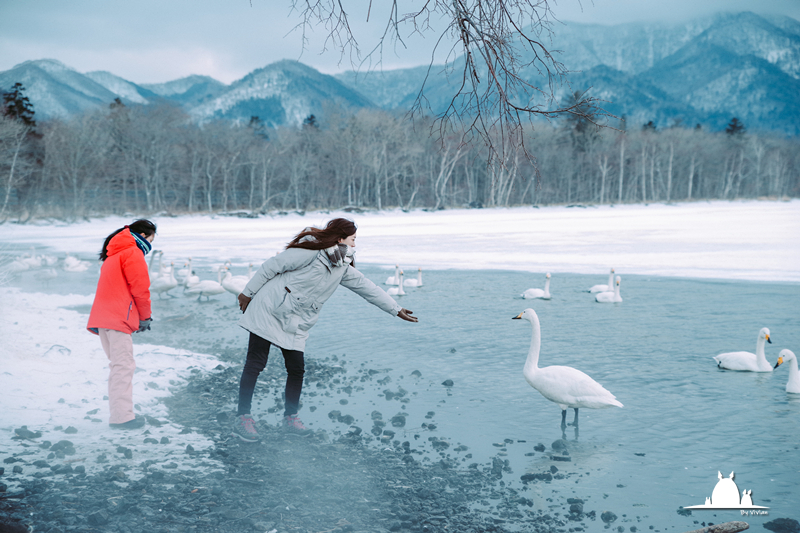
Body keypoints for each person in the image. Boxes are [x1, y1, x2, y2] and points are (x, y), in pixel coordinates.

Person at [233, 218, 418, 442]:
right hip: (269, 309)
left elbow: (368, 288)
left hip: (297, 320)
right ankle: (243, 418)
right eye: (353, 240)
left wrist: (395, 309)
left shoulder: (341, 267)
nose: (355, 245)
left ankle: (290, 419)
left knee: (297, 369)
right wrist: (248, 293)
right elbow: (272, 265)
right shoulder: (311, 253)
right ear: (340, 238)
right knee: (256, 363)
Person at [87, 219, 157, 429]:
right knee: (123, 367)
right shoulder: (132, 253)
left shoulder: (113, 254)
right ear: (144, 236)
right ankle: (122, 418)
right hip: (117, 319)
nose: (151, 246)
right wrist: (145, 317)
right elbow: (140, 289)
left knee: (118, 366)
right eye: (152, 239)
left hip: (104, 319)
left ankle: (120, 414)